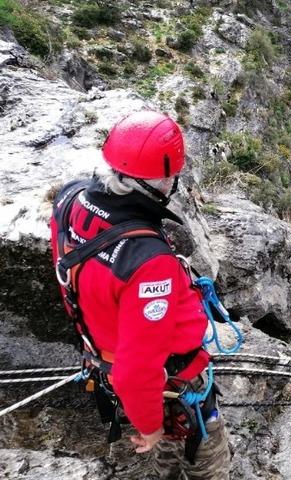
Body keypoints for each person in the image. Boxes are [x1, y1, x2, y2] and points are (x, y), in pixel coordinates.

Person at [49, 111, 230, 479]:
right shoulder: (148, 261)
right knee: (205, 452)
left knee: (166, 441)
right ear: (162, 183)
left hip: (104, 355)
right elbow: (138, 370)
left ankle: (165, 467)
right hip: (171, 375)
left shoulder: (69, 201)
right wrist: (147, 425)